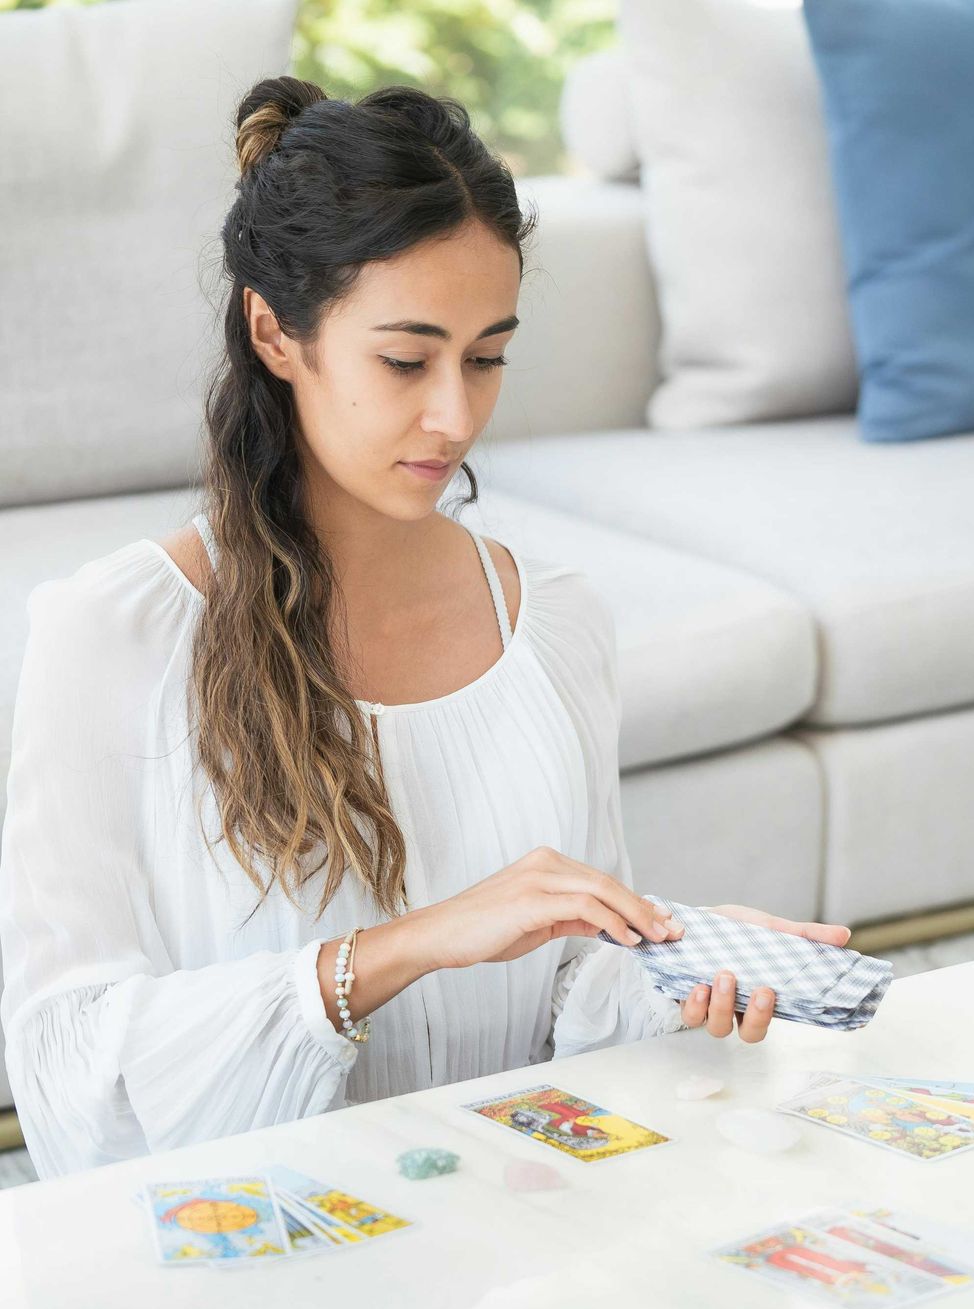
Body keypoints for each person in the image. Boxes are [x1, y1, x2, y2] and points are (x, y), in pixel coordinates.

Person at [0, 79, 851, 1181]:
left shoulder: (553, 625)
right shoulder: (114, 634)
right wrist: (399, 952)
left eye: (487, 356)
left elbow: (552, 998)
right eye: (405, 361)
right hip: (262, 1253)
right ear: (274, 332)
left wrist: (667, 967)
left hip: (508, 1228)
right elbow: (69, 1080)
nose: (455, 415)